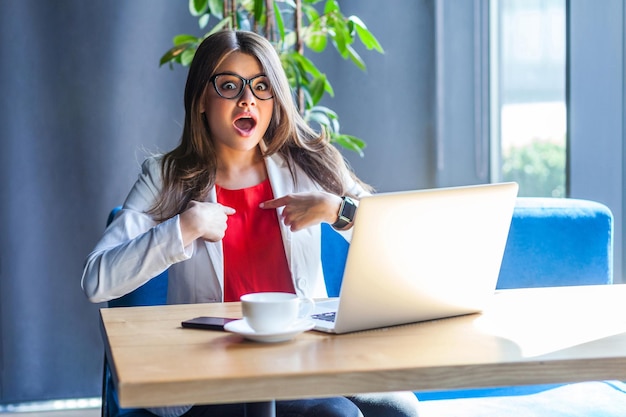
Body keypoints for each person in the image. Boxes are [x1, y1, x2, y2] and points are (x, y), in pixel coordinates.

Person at [82, 30, 420, 417]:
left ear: (275, 100)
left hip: (302, 357)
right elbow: (97, 280)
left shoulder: (311, 164)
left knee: (399, 409)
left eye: (261, 87)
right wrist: (183, 228)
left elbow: (399, 247)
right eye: (229, 86)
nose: (247, 99)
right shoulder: (166, 176)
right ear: (201, 102)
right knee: (334, 415)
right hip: (211, 374)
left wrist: (336, 210)